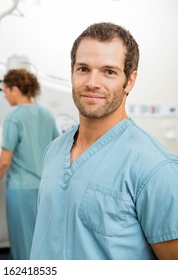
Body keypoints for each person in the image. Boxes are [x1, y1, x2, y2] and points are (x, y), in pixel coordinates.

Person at [30, 22, 178, 260]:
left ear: (129, 81)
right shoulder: (54, 151)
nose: (92, 82)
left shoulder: (157, 169)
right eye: (83, 69)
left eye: (109, 71)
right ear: (72, 73)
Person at [0, 69, 59, 260]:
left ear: (15, 89)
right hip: (43, 189)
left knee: (22, 242)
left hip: (21, 190)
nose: (4, 96)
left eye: (5, 91)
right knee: (40, 241)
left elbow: (4, 161)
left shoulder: (14, 117)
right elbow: (57, 149)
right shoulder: (46, 113)